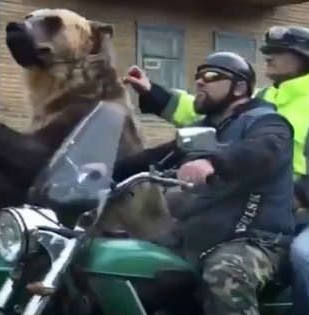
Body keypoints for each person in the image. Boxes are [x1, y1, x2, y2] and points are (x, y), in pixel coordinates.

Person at [124, 26, 309, 315]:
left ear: (305, 58)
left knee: (306, 255)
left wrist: (303, 194)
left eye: (278, 53)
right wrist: (154, 93)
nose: (268, 58)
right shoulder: (264, 100)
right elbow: (204, 111)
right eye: (267, 52)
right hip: (271, 213)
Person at [115, 52, 295, 314]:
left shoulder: (267, 122)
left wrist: (213, 162)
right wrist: (104, 169)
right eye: (198, 76)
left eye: (211, 76)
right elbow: (159, 156)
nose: (200, 82)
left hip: (255, 240)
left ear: (240, 87)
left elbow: (263, 150)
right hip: (202, 233)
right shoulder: (206, 129)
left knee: (225, 275)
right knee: (129, 260)